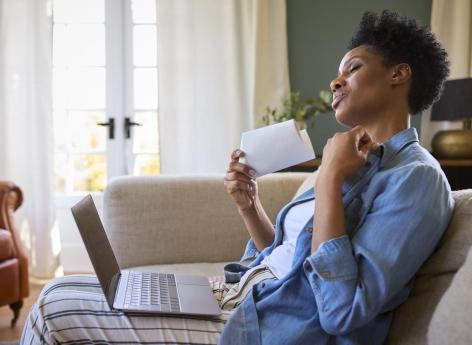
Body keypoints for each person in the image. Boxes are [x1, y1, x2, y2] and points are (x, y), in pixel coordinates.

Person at [21, 10, 454, 345]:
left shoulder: (416, 179)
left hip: (267, 329)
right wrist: (250, 206)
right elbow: (288, 262)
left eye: (353, 68)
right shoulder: (353, 160)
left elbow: (340, 311)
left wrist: (328, 179)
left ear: (398, 74)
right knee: (73, 289)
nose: (335, 80)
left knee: (52, 306)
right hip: (240, 296)